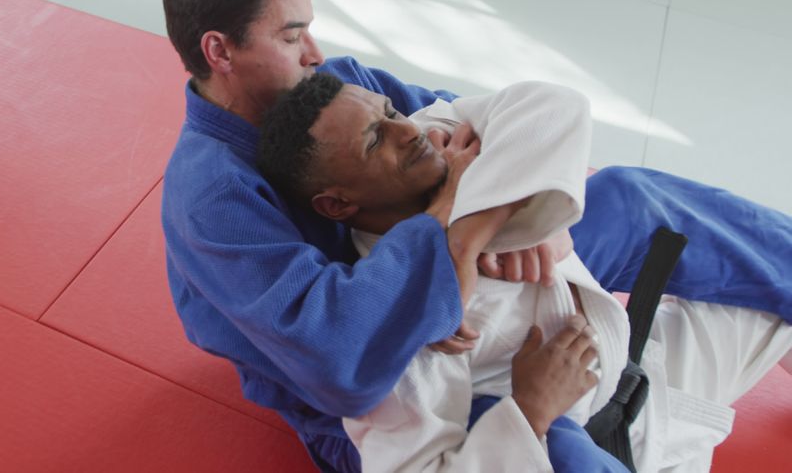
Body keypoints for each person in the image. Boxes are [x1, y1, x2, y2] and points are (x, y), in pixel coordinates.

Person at [160, 0, 792, 472]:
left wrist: (518, 206)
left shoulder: (340, 85)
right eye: (293, 35)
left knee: (626, 195)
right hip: (394, 386)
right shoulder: (213, 200)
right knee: (550, 442)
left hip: (460, 280)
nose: (315, 54)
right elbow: (338, 357)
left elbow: (472, 125)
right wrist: (453, 238)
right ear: (220, 51)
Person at [256, 72, 792, 472]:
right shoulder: (391, 322)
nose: (405, 130)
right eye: (376, 140)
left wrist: (475, 228)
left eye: (390, 111)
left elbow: (550, 103)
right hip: (592, 443)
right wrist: (531, 412)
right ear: (337, 205)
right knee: (558, 447)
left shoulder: (430, 144)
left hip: (642, 364)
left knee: (629, 194)